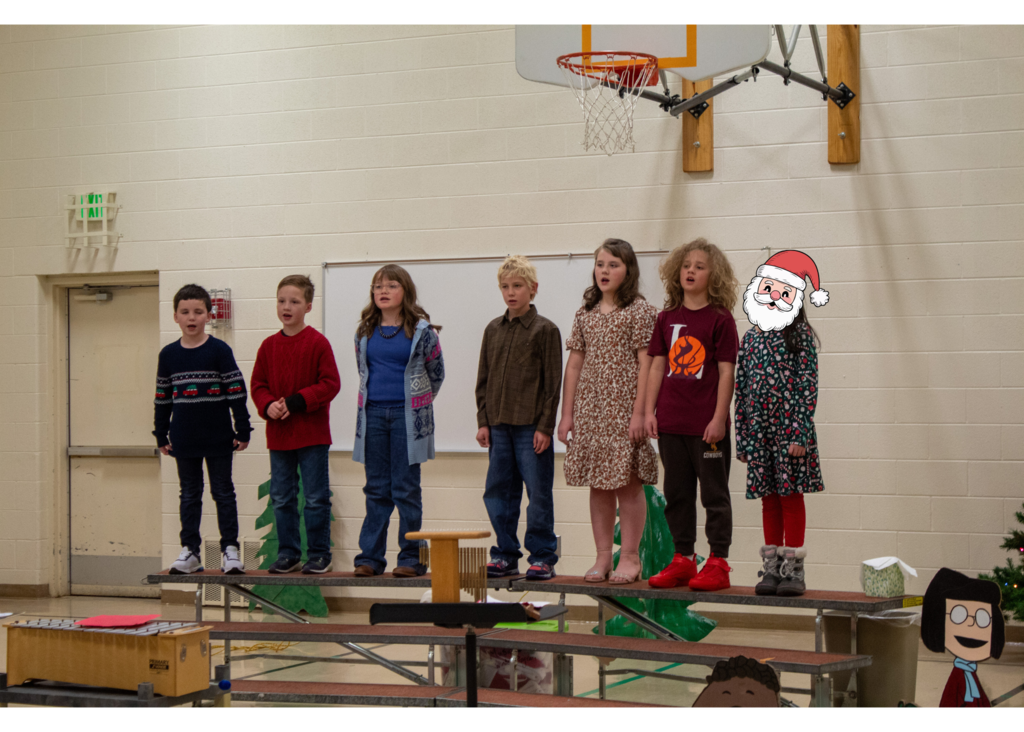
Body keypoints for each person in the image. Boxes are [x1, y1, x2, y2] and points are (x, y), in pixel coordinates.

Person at [558, 239, 658, 585]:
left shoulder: (640, 311)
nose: (605, 271)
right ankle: (602, 556)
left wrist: (640, 411)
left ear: (628, 270)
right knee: (598, 485)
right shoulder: (584, 313)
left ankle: (629, 556)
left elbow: (648, 363)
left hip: (625, 407)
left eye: (613, 264)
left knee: (627, 483)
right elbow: (574, 365)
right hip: (591, 409)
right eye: (600, 264)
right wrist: (567, 413)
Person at [645, 239, 739, 592]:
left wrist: (718, 419)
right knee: (678, 494)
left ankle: (717, 561)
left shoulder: (720, 320)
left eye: (699, 266)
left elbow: (726, 372)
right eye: (686, 265)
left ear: (713, 275)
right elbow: (657, 366)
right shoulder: (666, 318)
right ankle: (683, 557)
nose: (690, 271)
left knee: (714, 494)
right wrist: (652, 411)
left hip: (707, 428)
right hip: (671, 424)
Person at [737, 250, 827, 596]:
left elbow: (808, 386)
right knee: (768, 497)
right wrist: (744, 438)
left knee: (790, 495)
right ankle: (771, 566)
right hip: (759, 433)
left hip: (790, 431)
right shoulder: (751, 339)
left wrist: (800, 431)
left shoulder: (800, 335)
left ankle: (794, 568)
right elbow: (741, 390)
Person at [352, 265, 445, 578]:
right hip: (374, 416)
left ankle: (411, 559)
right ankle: (370, 558)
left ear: (405, 291)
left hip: (408, 418)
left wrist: (417, 402)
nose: (383, 291)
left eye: (391, 285)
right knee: (376, 489)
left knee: (406, 489)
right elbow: (363, 372)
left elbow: (437, 374)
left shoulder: (422, 332)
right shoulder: (364, 331)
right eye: (378, 286)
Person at [476, 255, 563, 581]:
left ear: (532, 289)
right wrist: (483, 420)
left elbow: (553, 384)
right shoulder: (493, 329)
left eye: (517, 286)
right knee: (498, 492)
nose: (510, 292)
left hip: (530, 427)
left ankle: (542, 557)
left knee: (538, 494)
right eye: (505, 286)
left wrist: (544, 427)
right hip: (498, 425)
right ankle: (504, 554)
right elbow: (483, 378)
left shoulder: (545, 330)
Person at [154, 284, 251, 575]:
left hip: (219, 436)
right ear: (175, 317)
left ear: (209, 315)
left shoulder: (219, 350)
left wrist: (242, 429)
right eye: (185, 312)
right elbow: (162, 398)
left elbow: (236, 391)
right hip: (184, 438)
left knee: (223, 492)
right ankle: (190, 551)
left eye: (198, 311)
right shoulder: (169, 355)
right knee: (189, 494)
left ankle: (230, 550)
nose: (191, 317)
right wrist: (161, 434)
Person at [251, 275, 341, 574]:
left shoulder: (318, 342)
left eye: (294, 301)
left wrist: (295, 402)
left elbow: (330, 384)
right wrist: (268, 406)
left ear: (309, 306)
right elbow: (258, 385)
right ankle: (288, 553)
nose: (286, 307)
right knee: (282, 497)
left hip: (312, 435)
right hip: (279, 436)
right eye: (281, 301)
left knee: (316, 498)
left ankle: (319, 554)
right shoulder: (268, 346)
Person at [922, 568, 1006, 708]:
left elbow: (981, 701)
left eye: (983, 618)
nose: (971, 624)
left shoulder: (968, 673)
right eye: (959, 615)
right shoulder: (960, 676)